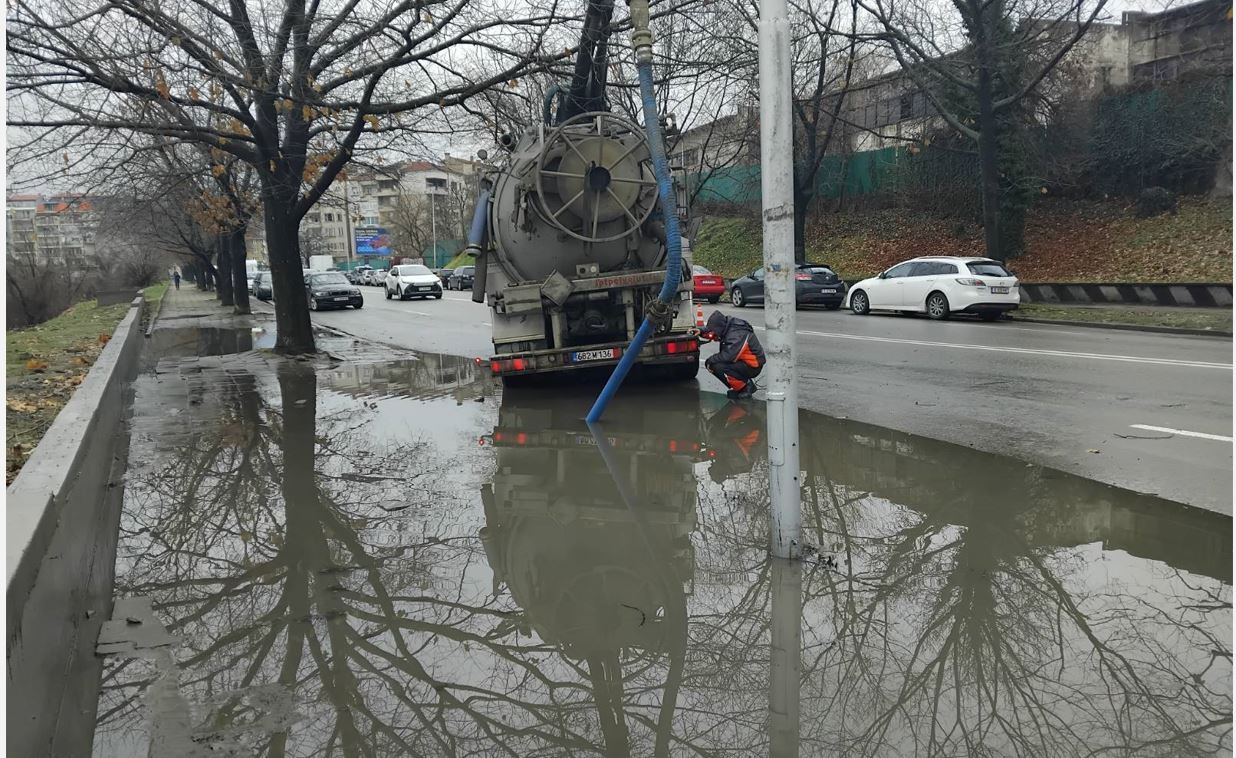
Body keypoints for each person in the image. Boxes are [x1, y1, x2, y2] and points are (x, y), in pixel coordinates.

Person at [699, 311, 765, 398]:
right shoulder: (728, 326)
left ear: (719, 328)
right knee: (714, 364)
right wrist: (700, 331)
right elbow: (712, 331)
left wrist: (710, 360)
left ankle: (745, 387)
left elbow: (728, 356)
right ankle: (741, 386)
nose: (714, 334)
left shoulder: (737, 335)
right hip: (743, 362)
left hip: (753, 366)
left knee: (716, 365)